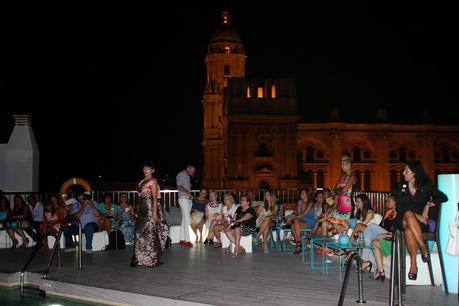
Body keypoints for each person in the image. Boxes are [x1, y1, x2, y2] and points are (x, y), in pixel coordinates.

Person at [395, 160, 447, 281]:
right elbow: (400, 207)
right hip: (403, 219)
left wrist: (428, 204)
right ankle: (423, 247)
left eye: (406, 171)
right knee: (408, 213)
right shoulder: (401, 186)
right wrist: (418, 216)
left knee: (409, 231)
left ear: (414, 173)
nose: (403, 173)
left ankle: (413, 266)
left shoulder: (426, 185)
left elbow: (443, 197)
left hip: (417, 225)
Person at [131, 161, 168, 267]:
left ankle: (151, 259)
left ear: (153, 170)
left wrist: (155, 213)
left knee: (150, 233)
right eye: (144, 169)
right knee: (140, 233)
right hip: (142, 209)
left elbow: (155, 199)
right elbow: (140, 197)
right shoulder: (143, 181)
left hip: (150, 209)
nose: (145, 171)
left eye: (147, 169)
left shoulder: (153, 181)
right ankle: (140, 258)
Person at [176, 164, 196, 247]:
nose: (192, 173)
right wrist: (189, 193)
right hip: (183, 199)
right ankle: (187, 240)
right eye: (191, 171)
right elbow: (180, 187)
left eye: (193, 172)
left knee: (184, 220)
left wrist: (190, 196)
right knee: (187, 220)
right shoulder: (181, 175)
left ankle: (181, 239)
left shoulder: (187, 176)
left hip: (187, 199)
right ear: (188, 168)